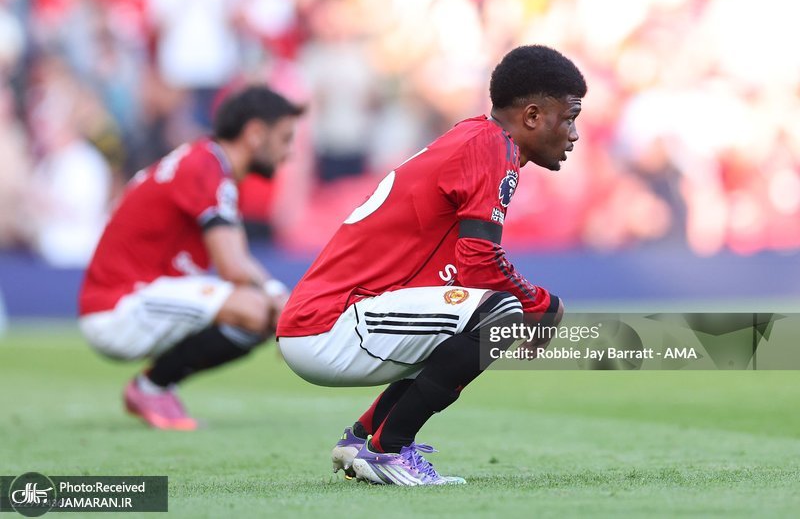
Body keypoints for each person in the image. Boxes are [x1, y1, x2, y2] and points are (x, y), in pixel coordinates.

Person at [276, 45, 586, 485]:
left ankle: (362, 438)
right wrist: (543, 305)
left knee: (471, 319)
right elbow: (480, 265)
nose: (574, 134)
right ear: (533, 116)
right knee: (500, 312)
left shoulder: (476, 138)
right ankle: (389, 449)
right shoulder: (490, 147)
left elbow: (467, 270)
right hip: (329, 325)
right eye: (570, 117)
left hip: (326, 321)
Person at [79, 86, 304, 430]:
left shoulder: (208, 163)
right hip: (118, 305)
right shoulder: (206, 168)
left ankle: (155, 386)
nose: (289, 152)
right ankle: (151, 388)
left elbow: (238, 260)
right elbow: (233, 267)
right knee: (254, 310)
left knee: (257, 307)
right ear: (256, 133)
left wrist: (277, 299)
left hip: (140, 294)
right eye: (285, 138)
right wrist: (281, 303)